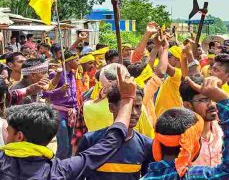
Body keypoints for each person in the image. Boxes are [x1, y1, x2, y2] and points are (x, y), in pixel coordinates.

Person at [0, 65, 137, 179]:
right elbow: (112, 141)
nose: (5, 131)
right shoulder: (60, 170)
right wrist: (127, 99)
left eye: (8, 130)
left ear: (19, 136)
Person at [141, 76, 229, 179]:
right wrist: (224, 100)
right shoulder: (192, 176)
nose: (212, 105)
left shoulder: (146, 178)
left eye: (213, 99)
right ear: (193, 147)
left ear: (157, 146)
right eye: (203, 100)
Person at [77, 85, 153, 180]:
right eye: (128, 107)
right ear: (112, 108)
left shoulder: (146, 145)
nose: (134, 112)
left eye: (138, 106)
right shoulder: (90, 141)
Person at [43, 49, 79, 159]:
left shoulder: (73, 74)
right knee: (63, 146)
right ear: (68, 62)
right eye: (76, 60)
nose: (79, 62)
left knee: (69, 144)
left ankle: (66, 167)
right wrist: (60, 90)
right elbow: (46, 93)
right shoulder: (56, 74)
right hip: (59, 112)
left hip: (71, 112)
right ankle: (57, 167)